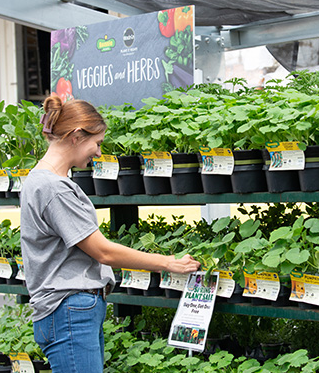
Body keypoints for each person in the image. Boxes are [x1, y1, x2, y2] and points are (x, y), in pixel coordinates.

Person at [20, 94, 200, 373]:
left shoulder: (40, 180)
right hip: (69, 311)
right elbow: (102, 251)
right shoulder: (53, 188)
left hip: (67, 311)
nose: (98, 152)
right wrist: (168, 263)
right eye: (98, 143)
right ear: (77, 135)